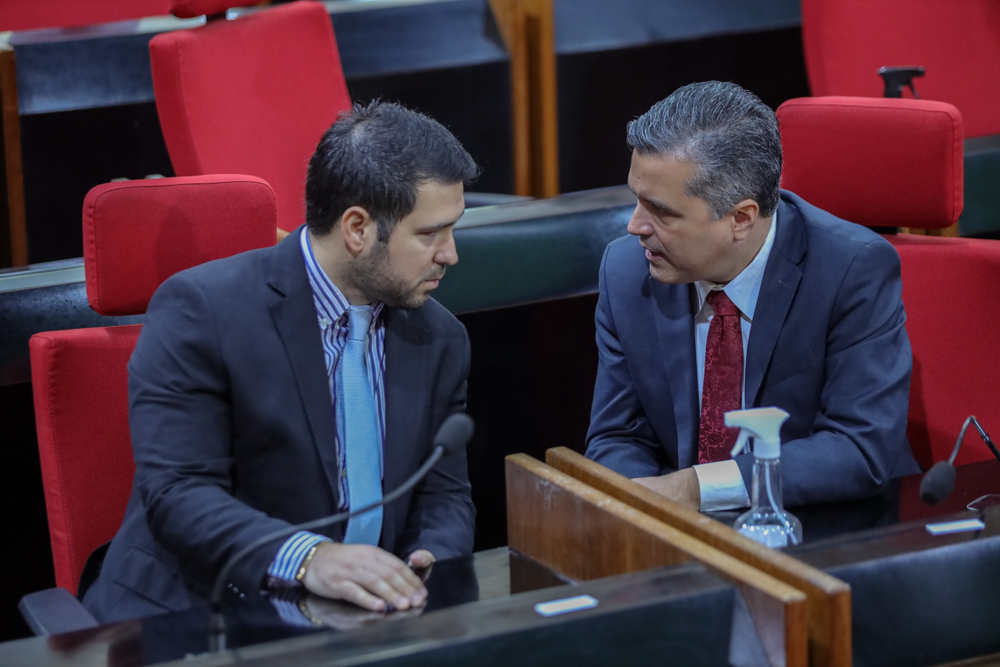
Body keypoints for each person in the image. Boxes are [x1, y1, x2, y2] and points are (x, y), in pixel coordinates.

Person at [83, 101, 479, 623]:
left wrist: (434, 560)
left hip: (359, 622)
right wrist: (311, 559)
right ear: (357, 228)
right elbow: (178, 495)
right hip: (202, 615)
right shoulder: (202, 311)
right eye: (430, 233)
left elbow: (443, 494)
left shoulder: (441, 337)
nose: (449, 253)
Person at [585, 81, 920, 512]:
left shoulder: (851, 270)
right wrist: (643, 508)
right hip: (683, 537)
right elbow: (618, 435)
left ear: (740, 218)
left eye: (662, 212)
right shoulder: (625, 270)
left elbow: (859, 449)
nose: (635, 226)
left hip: (830, 526)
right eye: (636, 199)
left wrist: (694, 489)